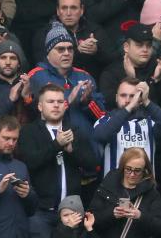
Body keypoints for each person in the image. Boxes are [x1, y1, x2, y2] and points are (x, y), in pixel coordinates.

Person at [16, 82, 96, 238]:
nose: (56, 106)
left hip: (71, 211)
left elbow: (92, 164)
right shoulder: (29, 131)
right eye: (50, 102)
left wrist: (72, 151)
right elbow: (30, 162)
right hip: (41, 210)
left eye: (60, 102)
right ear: (40, 106)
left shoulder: (75, 130)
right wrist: (56, 145)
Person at [27, 25, 106, 133]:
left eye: (70, 49)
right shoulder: (36, 76)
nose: (66, 53)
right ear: (48, 53)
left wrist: (88, 102)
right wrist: (68, 101)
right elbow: (34, 115)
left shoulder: (85, 76)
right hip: (53, 143)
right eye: (61, 49)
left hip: (86, 144)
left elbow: (102, 117)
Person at [93, 76, 161, 176]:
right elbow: (101, 136)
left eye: (132, 96)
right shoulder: (104, 120)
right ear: (116, 97)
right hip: (113, 188)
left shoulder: (150, 122)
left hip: (145, 187)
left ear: (140, 99)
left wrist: (147, 102)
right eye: (123, 95)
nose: (128, 100)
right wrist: (129, 107)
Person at [87, 148, 161, 238]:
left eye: (137, 170)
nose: (132, 174)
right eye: (128, 169)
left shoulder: (151, 193)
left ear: (145, 170)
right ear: (122, 167)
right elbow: (90, 220)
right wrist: (112, 214)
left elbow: (159, 227)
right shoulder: (108, 186)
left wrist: (140, 216)